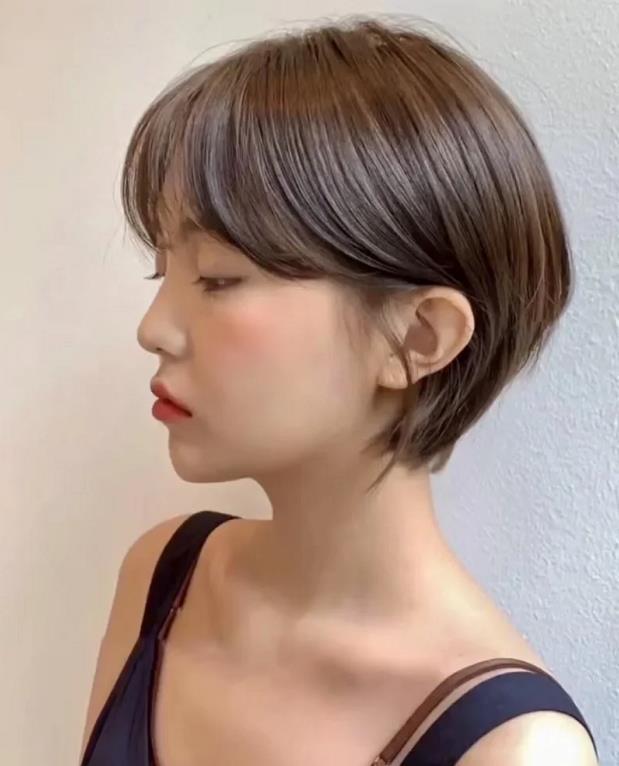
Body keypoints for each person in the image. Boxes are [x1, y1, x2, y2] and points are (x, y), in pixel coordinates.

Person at [79, 16, 599, 766]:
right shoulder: (163, 578)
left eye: (218, 278)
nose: (153, 329)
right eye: (164, 271)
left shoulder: (512, 749)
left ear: (418, 337)